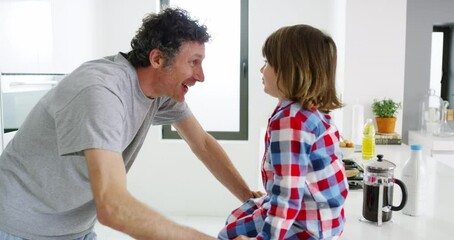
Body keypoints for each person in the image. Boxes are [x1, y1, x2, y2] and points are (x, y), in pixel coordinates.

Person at [0, 8, 260, 240]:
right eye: (194, 62)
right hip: (19, 227)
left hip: (74, 229)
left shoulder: (161, 94)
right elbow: (113, 207)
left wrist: (249, 198)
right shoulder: (101, 91)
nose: (201, 76)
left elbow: (202, 143)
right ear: (157, 59)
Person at [218, 24, 349, 240]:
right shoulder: (310, 112)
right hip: (327, 217)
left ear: (290, 69)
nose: (261, 70)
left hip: (309, 225)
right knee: (237, 217)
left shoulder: (290, 122)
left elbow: (287, 196)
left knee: (227, 235)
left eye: (267, 63)